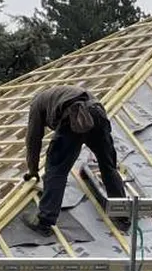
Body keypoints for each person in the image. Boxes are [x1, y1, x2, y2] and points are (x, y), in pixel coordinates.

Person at [23, 85, 127, 235]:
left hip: (74, 114)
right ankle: (122, 215)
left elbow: (33, 139)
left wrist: (33, 169)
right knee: (108, 166)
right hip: (98, 113)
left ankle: (45, 221)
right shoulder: (58, 94)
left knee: (56, 169)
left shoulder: (37, 104)